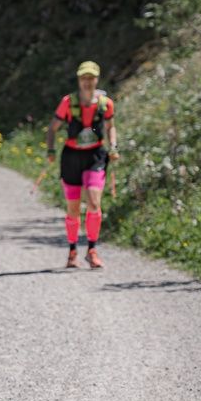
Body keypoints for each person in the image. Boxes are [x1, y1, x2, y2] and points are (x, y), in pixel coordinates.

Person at [46, 60, 119, 269]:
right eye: (83, 78)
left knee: (94, 203)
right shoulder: (68, 102)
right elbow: (52, 128)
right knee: (73, 208)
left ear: (97, 79)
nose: (87, 82)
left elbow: (110, 127)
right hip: (71, 157)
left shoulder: (106, 104)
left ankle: (92, 251)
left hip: (95, 156)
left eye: (91, 78)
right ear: (79, 80)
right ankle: (72, 252)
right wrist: (50, 150)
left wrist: (113, 146)